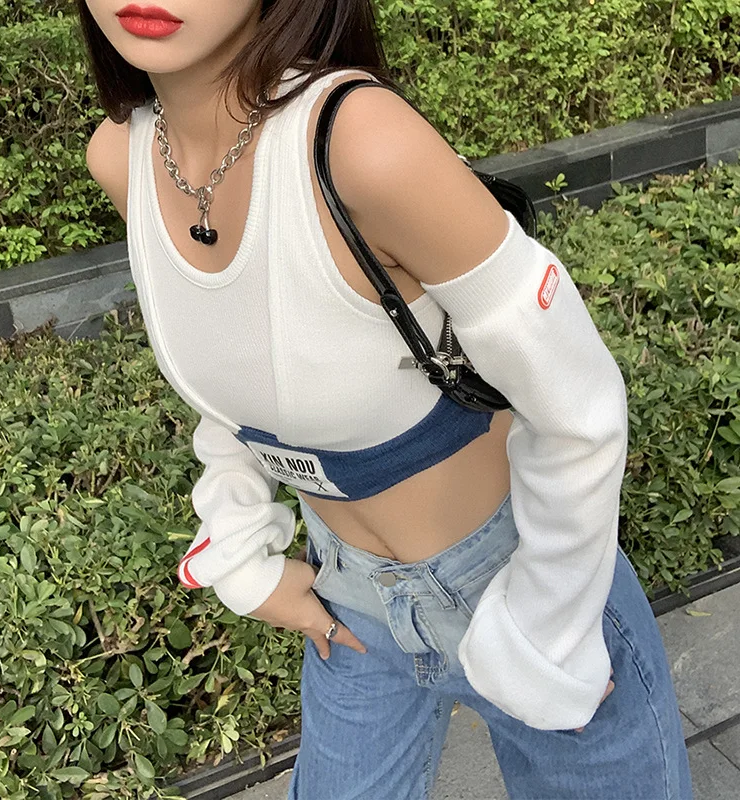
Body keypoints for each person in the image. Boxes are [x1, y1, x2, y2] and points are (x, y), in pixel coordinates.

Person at [78, 1, 694, 797]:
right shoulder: (123, 157)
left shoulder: (361, 143)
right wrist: (240, 553)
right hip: (352, 603)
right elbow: (230, 376)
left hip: (519, 581)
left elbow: (579, 402)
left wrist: (548, 627)